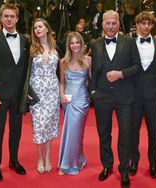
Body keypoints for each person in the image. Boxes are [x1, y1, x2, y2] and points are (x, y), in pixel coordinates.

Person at [90, 10, 140, 187]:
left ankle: (124, 170)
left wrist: (121, 73)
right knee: (104, 134)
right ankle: (107, 165)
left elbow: (137, 67)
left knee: (125, 134)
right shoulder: (95, 44)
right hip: (102, 97)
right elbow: (93, 71)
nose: (110, 26)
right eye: (107, 23)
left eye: (114, 23)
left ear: (119, 24)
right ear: (102, 24)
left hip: (124, 97)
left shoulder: (129, 42)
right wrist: (93, 92)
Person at [0, 3, 30, 182]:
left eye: (12, 16)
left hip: (18, 95)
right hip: (0, 96)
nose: (9, 19)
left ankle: (14, 160)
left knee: (16, 131)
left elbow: (26, 68)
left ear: (17, 18)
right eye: (6, 16)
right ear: (1, 18)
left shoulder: (25, 40)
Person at [20, 18, 60, 174]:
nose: (37, 29)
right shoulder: (31, 49)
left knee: (49, 125)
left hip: (52, 93)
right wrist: (27, 92)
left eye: (40, 26)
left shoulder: (56, 48)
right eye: (35, 27)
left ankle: (48, 157)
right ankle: (39, 158)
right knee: (38, 126)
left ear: (47, 29)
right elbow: (26, 74)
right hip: (36, 93)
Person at [129, 11, 156, 179]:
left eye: (149, 24)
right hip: (133, 95)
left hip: (153, 95)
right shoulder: (128, 44)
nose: (145, 26)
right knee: (132, 131)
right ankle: (133, 161)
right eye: (142, 23)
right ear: (137, 25)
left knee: (154, 131)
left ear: (152, 25)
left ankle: (153, 163)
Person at [58, 32, 91, 175]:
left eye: (77, 42)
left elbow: (90, 81)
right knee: (71, 131)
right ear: (68, 45)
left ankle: (70, 163)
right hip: (68, 100)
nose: (75, 45)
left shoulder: (88, 60)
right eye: (72, 43)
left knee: (76, 132)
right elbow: (61, 82)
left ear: (82, 44)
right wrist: (61, 96)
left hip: (82, 100)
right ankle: (74, 161)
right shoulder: (63, 62)